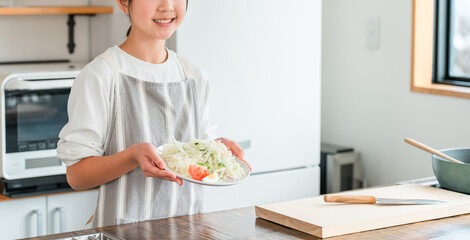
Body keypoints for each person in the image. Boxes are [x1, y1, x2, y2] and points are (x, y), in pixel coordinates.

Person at [57, 0, 249, 227]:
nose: (167, 6)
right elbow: (77, 176)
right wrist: (131, 156)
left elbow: (196, 155)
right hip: (123, 231)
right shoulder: (102, 74)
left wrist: (216, 149)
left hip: (188, 230)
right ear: (123, 3)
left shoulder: (194, 76)